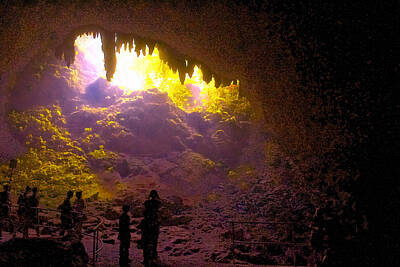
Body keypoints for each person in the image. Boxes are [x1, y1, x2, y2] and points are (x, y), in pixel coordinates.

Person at [143, 190, 161, 260]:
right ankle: (153, 254)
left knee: (146, 240)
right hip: (154, 224)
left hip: (147, 223)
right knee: (154, 240)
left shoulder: (147, 203)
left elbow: (144, 213)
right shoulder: (157, 203)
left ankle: (146, 256)